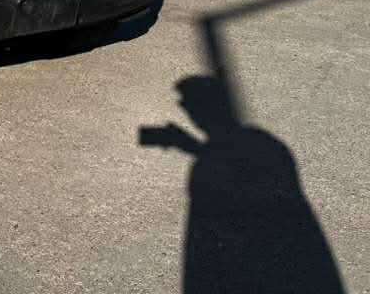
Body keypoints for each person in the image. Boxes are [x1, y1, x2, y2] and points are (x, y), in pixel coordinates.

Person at [140, 75, 343, 293]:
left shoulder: (260, 144)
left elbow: (249, 186)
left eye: (187, 102)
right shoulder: (263, 142)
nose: (184, 108)